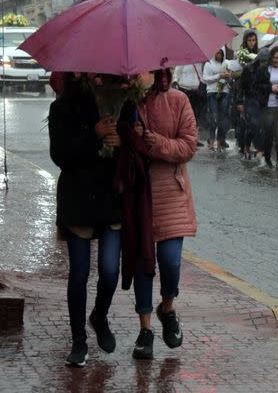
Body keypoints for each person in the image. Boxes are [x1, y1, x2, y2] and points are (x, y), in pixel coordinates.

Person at [49, 73, 123, 367]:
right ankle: (78, 340)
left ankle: (99, 316)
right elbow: (60, 156)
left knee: (109, 270)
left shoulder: (119, 101)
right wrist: (93, 133)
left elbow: (134, 150)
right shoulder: (62, 108)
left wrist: (122, 142)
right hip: (78, 198)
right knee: (79, 273)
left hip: (109, 198)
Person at [131, 69, 198, 360]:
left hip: (171, 191)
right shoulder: (127, 101)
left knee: (169, 262)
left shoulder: (178, 100)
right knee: (143, 264)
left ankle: (167, 307)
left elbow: (189, 145)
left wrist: (155, 143)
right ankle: (145, 329)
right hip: (137, 193)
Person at [254, 46, 278, 170]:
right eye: (275, 58)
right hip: (267, 106)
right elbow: (256, 86)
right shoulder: (263, 70)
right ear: (271, 58)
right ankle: (268, 158)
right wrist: (270, 88)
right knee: (268, 135)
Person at [237, 48, 269, 159]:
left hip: (262, 99)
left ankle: (259, 148)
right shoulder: (248, 68)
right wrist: (240, 101)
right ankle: (246, 145)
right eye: (263, 61)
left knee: (261, 125)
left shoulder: (267, 69)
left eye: (266, 61)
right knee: (252, 125)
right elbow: (241, 86)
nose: (264, 63)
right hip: (250, 99)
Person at [202, 48, 232, 151]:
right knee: (214, 118)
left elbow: (232, 78)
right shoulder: (208, 64)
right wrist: (219, 76)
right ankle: (211, 143)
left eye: (220, 53)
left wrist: (228, 77)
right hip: (212, 92)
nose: (218, 55)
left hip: (224, 92)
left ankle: (219, 142)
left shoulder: (227, 64)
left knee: (222, 119)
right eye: (217, 53)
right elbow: (205, 79)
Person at [172, 63, 206, 147]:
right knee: (184, 114)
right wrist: (175, 81)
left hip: (196, 92)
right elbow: (177, 72)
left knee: (195, 115)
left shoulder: (199, 63)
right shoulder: (183, 61)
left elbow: (201, 75)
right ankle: (182, 136)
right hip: (184, 90)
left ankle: (194, 138)